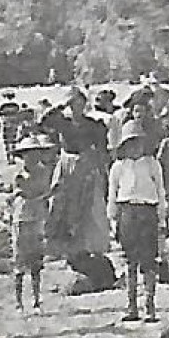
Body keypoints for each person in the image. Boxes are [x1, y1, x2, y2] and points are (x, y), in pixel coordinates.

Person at [44, 89, 115, 292]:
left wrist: (102, 171)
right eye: (72, 104)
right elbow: (43, 122)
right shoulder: (62, 123)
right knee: (63, 208)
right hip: (66, 166)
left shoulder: (93, 125)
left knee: (91, 209)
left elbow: (102, 149)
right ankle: (71, 252)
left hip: (87, 166)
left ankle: (92, 250)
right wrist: (59, 105)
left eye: (79, 104)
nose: (76, 108)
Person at [108, 121, 167, 322]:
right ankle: (132, 305)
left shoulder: (152, 163)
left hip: (147, 211)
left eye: (138, 143)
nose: (135, 148)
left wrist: (162, 216)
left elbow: (160, 189)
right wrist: (113, 217)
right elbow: (112, 193)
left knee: (149, 261)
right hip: (127, 212)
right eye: (131, 143)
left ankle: (149, 305)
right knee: (130, 261)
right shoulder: (118, 167)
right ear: (124, 146)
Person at [9, 135, 56, 311]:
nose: (32, 157)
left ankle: (36, 300)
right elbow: (23, 193)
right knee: (19, 261)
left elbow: (44, 192)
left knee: (36, 261)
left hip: (38, 218)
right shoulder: (18, 174)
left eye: (35, 153)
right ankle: (18, 301)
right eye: (28, 154)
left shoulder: (44, 172)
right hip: (21, 218)